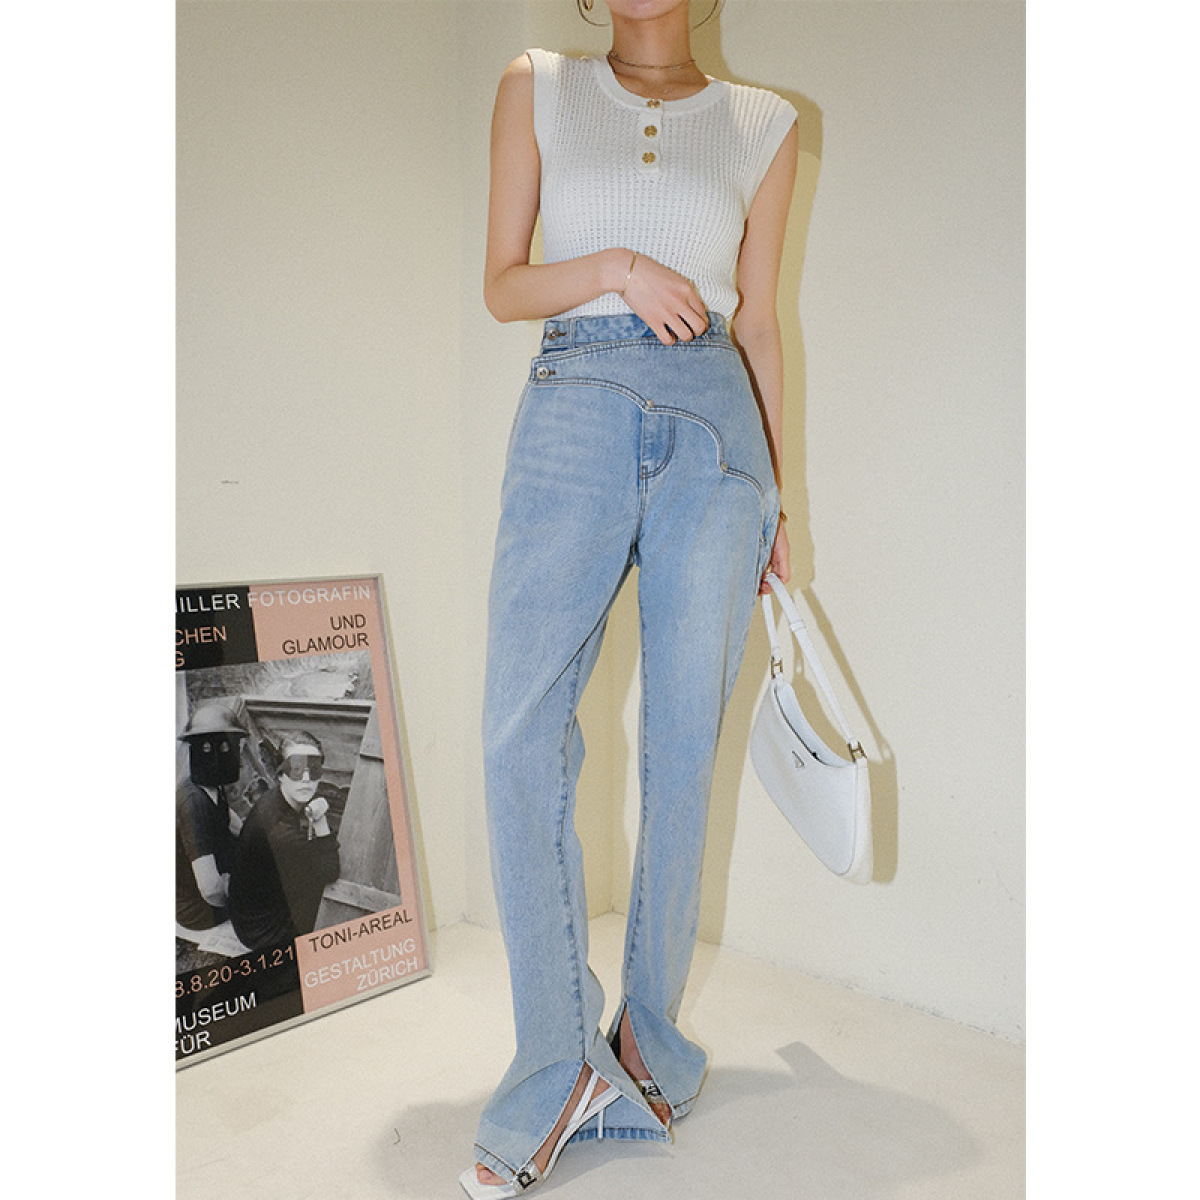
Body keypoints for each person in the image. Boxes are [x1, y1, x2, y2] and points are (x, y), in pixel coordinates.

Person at [463, 1, 800, 1195]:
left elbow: (760, 321)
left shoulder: (765, 122)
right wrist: (616, 268)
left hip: (718, 431)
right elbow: (503, 285)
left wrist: (781, 499)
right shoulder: (538, 83)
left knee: (681, 744)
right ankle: (557, 1063)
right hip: (575, 399)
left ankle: (651, 1040)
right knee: (518, 731)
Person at [227, 730, 341, 950]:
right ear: (281, 774)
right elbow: (331, 870)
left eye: (313, 769)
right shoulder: (280, 831)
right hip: (262, 930)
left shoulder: (276, 798)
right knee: (330, 905)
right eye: (296, 769)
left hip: (251, 910)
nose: (306, 778)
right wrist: (320, 821)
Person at [176, 700, 246, 931]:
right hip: (199, 909)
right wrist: (239, 897)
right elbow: (210, 889)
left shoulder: (212, 787)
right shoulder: (193, 803)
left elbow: (230, 821)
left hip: (215, 879)